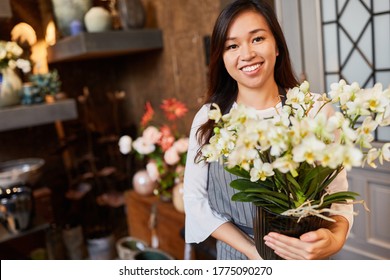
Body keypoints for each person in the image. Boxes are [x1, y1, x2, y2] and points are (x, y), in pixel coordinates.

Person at [183, 0, 353, 260]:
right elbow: (196, 202)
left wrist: (334, 239)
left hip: (305, 257)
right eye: (232, 45)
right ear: (222, 58)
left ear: (277, 47)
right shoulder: (210, 118)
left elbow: (338, 196)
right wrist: (254, 251)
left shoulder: (314, 110)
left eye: (258, 38)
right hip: (239, 258)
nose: (247, 54)